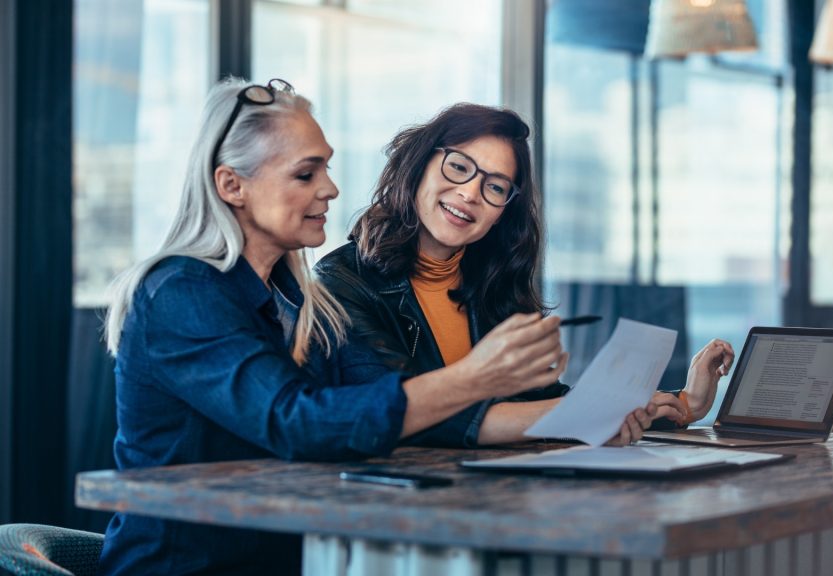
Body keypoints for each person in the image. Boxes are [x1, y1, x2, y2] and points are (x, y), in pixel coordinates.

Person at [99, 79, 656, 575]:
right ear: (231, 185)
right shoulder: (181, 292)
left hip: (301, 555)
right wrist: (478, 377)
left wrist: (599, 412)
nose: (331, 190)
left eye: (326, 168)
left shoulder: (297, 297)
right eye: (305, 173)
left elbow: (384, 399)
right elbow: (296, 423)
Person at [315, 103, 735, 447]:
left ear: (503, 213)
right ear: (419, 165)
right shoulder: (340, 283)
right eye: (459, 167)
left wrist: (684, 403)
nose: (470, 193)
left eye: (495, 187)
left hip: (492, 497)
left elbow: (540, 402)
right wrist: (590, 415)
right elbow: (409, 414)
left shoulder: (490, 283)